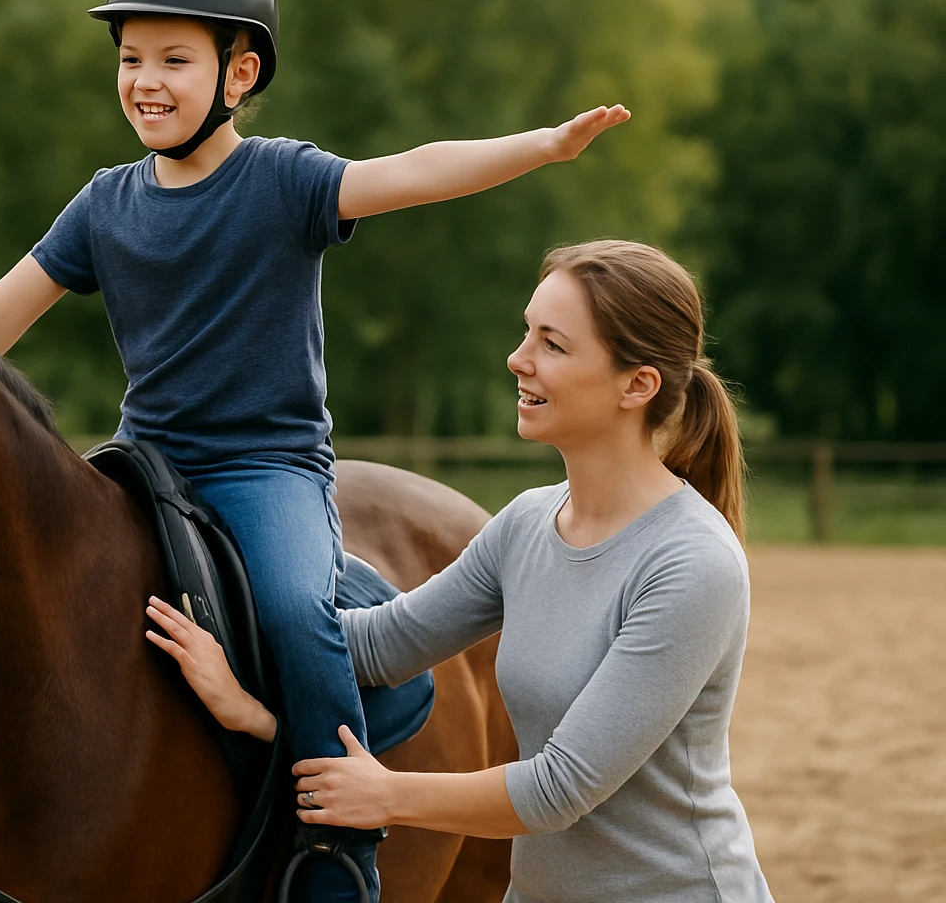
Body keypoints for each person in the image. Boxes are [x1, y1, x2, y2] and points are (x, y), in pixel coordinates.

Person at [0, 0, 629, 902]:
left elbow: (418, 168)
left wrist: (547, 144)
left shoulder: (284, 181)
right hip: (145, 464)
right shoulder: (103, 206)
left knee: (294, 613)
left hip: (262, 469)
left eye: (173, 60)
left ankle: (336, 849)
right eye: (131, 58)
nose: (145, 80)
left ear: (240, 71)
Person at [146, 239, 776, 902]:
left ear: (637, 385)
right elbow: (375, 647)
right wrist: (240, 666)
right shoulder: (528, 525)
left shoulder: (692, 564)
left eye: (553, 345)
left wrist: (385, 796)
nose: (518, 359)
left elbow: (559, 789)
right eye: (527, 331)